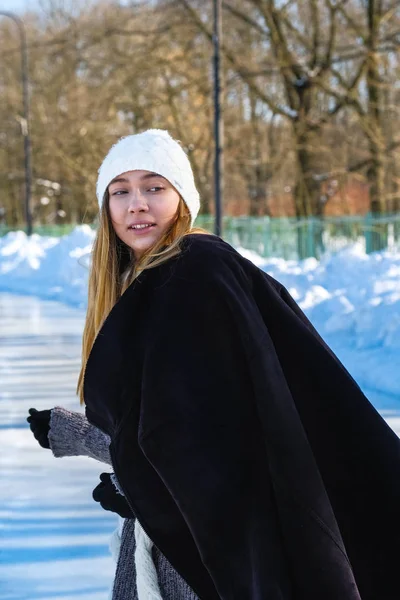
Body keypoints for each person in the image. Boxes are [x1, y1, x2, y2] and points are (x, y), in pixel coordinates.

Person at [28, 129, 400, 600]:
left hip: (206, 557)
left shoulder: (193, 274)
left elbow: (199, 443)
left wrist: (131, 477)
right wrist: (95, 445)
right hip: (190, 541)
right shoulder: (155, 281)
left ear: (182, 197)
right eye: (120, 191)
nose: (136, 204)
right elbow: (184, 422)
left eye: (154, 187)